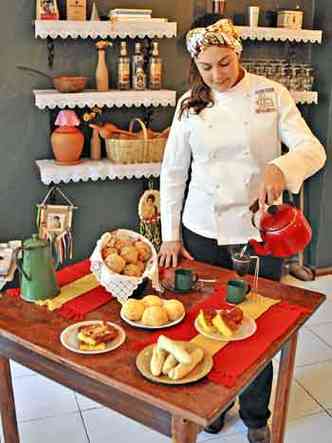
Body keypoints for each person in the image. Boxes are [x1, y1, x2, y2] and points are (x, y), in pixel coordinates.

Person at [158, 13, 326, 443]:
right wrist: (171, 236)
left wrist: (280, 165)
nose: (217, 74)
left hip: (256, 233)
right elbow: (173, 173)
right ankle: (210, 405)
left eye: (225, 63)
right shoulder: (187, 104)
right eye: (206, 67)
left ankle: (254, 418)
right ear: (196, 64)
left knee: (255, 328)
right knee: (201, 323)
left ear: (239, 52)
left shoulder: (271, 94)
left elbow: (313, 150)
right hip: (200, 230)